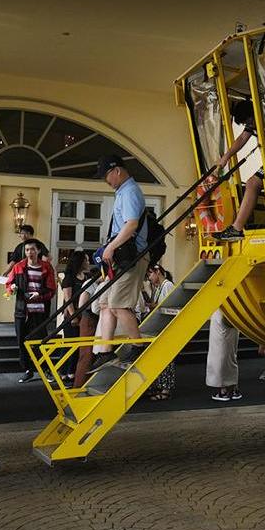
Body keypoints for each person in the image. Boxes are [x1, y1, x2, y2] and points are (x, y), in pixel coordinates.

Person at [91, 154, 149, 368]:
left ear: (117, 171)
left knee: (118, 304)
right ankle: (105, 352)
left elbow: (131, 224)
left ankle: (138, 347)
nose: (106, 180)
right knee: (106, 303)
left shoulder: (130, 192)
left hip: (131, 257)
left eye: (106, 175)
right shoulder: (123, 192)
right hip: (122, 258)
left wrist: (111, 247)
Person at [4, 240, 57, 383]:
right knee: (22, 341)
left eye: (32, 249)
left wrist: (39, 294)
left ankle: (45, 369)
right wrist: (12, 289)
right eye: (27, 250)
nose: (29, 253)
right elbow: (8, 284)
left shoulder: (46, 267)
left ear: (38, 251)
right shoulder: (19, 266)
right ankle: (27, 370)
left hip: (40, 311)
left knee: (41, 341)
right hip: (22, 311)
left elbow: (52, 289)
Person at [211, 100, 259, 243]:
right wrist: (226, 157)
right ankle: (237, 227)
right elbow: (243, 138)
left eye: (248, 122)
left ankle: (237, 228)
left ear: (251, 115)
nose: (248, 125)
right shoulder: (254, 122)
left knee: (252, 183)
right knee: (251, 183)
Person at [62, 251, 97, 388]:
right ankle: (64, 371)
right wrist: (73, 315)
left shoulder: (87, 276)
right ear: (80, 261)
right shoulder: (69, 278)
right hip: (73, 313)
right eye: (86, 260)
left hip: (84, 314)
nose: (88, 262)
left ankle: (73, 371)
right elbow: (68, 299)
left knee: (80, 344)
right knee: (70, 343)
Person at [144, 265, 175, 401]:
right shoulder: (156, 287)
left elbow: (167, 305)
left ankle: (165, 388)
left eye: (150, 275)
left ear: (157, 272)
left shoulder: (167, 285)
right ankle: (159, 385)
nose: (149, 279)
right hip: (159, 326)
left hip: (165, 327)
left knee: (166, 359)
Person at [206, 311, 242, 402]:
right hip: (234, 314)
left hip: (221, 313)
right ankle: (234, 388)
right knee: (231, 354)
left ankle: (223, 390)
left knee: (218, 354)